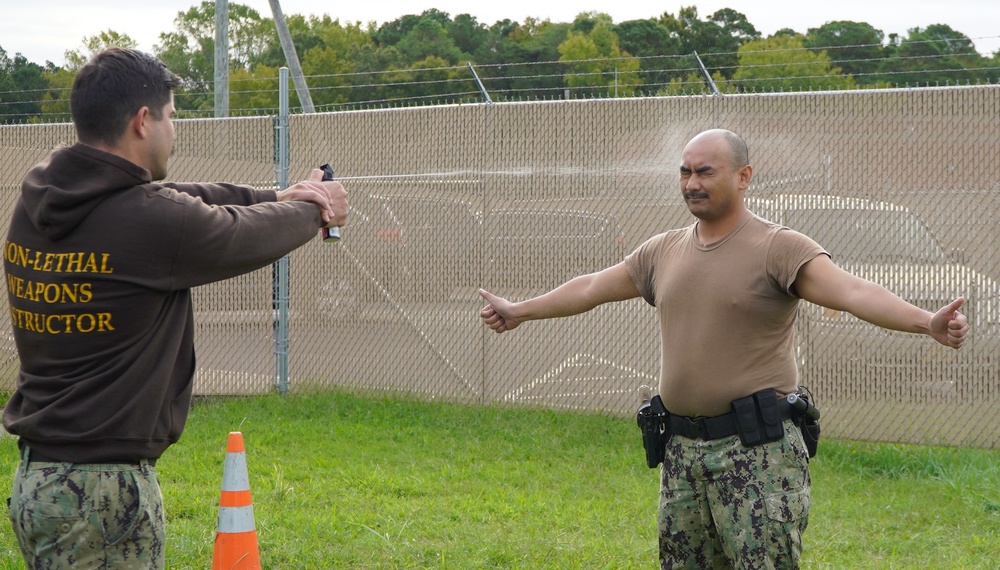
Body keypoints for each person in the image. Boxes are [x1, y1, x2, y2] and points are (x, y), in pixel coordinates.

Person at [478, 128, 968, 569]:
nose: (692, 182)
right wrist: (521, 310)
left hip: (756, 453)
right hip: (683, 451)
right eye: (685, 171)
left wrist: (925, 322)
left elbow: (854, 291)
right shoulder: (662, 250)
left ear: (743, 176)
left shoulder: (779, 247)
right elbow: (589, 287)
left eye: (705, 172)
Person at [3, 47, 348, 568]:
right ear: (143, 121)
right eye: (171, 116)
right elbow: (226, 230)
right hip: (103, 492)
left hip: (40, 479)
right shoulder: (149, 222)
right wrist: (312, 211)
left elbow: (181, 198)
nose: (174, 130)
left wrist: (277, 194)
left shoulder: (40, 204)